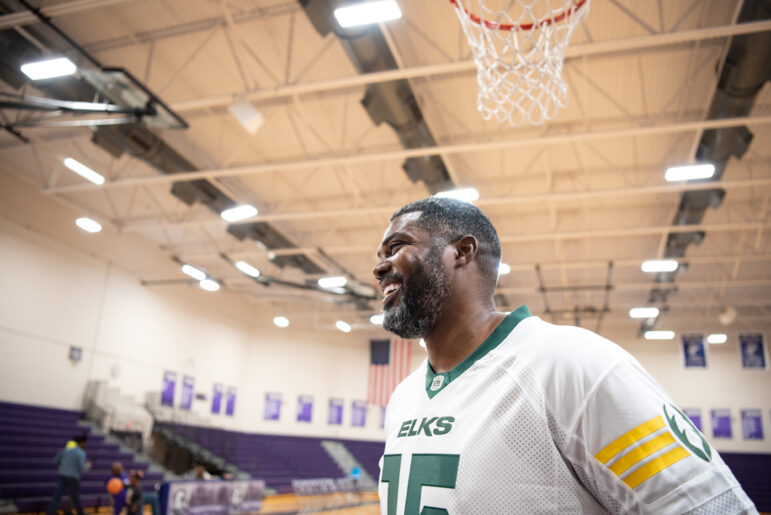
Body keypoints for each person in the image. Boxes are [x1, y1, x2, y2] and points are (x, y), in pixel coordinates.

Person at [372, 197, 756, 514]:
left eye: (397, 246)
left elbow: (712, 507)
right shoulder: (404, 397)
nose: (378, 267)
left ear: (462, 251)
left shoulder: (573, 362)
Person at [46, 434, 91, 515]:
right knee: (75, 497)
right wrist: (88, 466)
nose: (85, 445)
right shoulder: (81, 452)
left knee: (57, 496)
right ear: (82, 443)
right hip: (73, 477)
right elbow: (83, 468)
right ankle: (79, 513)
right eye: (85, 443)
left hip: (62, 475)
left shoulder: (65, 450)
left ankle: (51, 512)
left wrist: (63, 466)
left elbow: (56, 460)